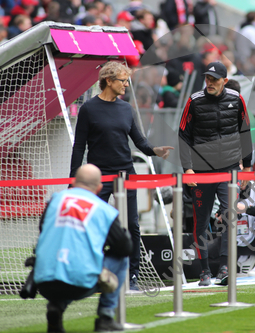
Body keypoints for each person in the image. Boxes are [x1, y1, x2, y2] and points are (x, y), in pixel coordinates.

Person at [69, 62, 173, 290]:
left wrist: (155, 150)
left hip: (127, 175)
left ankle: (132, 277)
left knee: (132, 226)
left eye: (127, 80)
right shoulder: (88, 109)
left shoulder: (126, 109)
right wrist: (73, 181)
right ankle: (93, 273)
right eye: (123, 80)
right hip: (98, 179)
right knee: (94, 226)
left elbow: (140, 142)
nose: (126, 85)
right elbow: (79, 147)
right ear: (108, 80)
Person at [34, 164, 133, 333]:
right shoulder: (103, 209)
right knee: (121, 259)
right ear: (100, 188)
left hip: (44, 282)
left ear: (74, 182)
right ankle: (105, 317)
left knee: (63, 271)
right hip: (80, 283)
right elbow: (125, 247)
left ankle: (56, 307)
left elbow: (43, 230)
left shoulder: (55, 200)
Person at [178, 61, 252, 286]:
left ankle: (225, 267)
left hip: (229, 168)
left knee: (231, 216)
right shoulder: (194, 101)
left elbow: (245, 133)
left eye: (214, 80)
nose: (209, 83)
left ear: (225, 81)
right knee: (201, 221)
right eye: (207, 78)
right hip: (201, 171)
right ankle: (204, 271)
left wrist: (247, 167)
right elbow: (183, 135)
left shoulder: (237, 99)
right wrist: (188, 169)